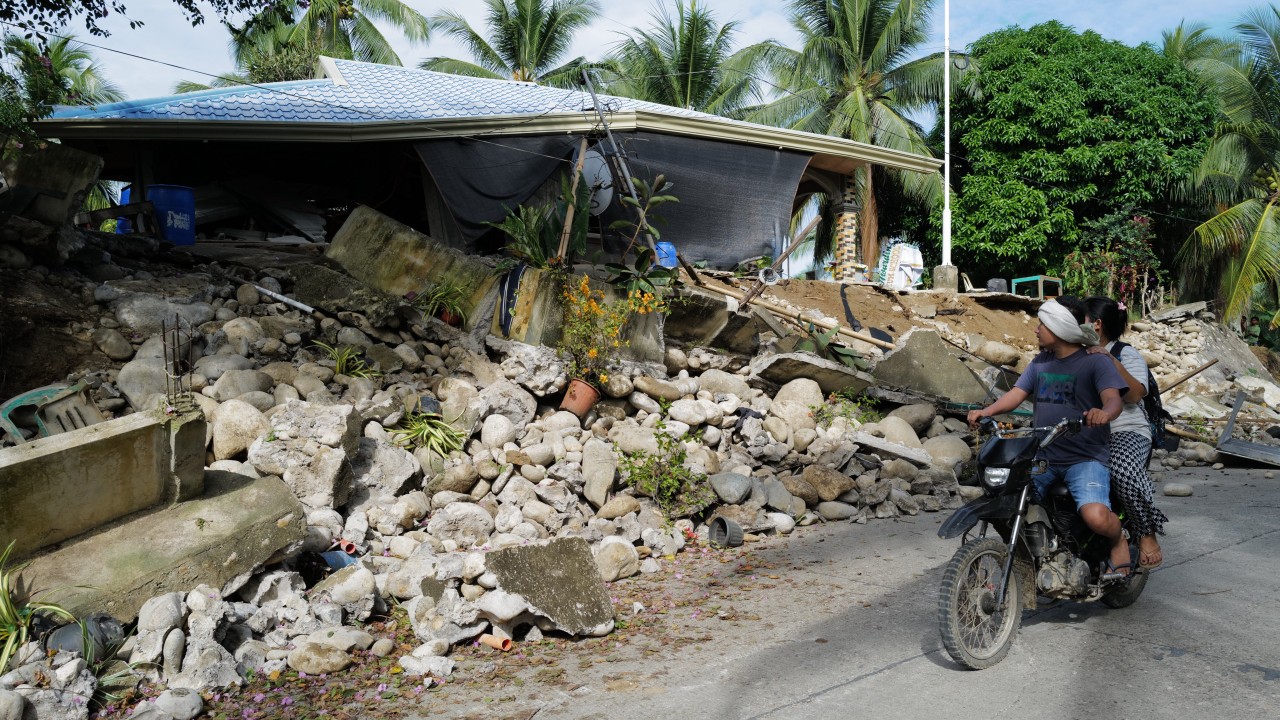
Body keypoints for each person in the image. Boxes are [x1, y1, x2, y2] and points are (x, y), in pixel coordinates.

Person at [967, 298, 1132, 575]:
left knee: (1095, 516)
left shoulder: (1095, 362)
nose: (1036, 329)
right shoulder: (1040, 363)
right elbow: (1016, 395)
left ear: (1060, 326)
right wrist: (987, 411)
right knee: (1009, 500)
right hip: (1043, 456)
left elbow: (1113, 399)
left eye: (1042, 324)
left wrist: (1104, 413)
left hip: (1085, 458)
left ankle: (1118, 541)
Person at [1084, 296, 1168, 569]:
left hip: (1126, 430)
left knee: (1122, 469)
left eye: (1079, 319)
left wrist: (1108, 358)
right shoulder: (1074, 353)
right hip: (1085, 432)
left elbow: (1135, 394)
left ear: (1096, 325)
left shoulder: (1125, 353)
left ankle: (1146, 531)